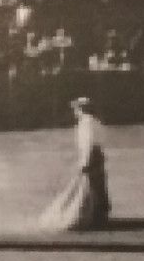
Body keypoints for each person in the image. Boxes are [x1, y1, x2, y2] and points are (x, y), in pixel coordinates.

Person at [39, 97, 111, 231]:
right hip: (96, 156)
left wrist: (85, 161)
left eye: (76, 109)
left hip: (91, 156)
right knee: (96, 185)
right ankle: (98, 216)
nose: (75, 112)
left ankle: (94, 217)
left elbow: (89, 143)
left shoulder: (87, 123)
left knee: (91, 185)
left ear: (81, 109)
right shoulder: (94, 121)